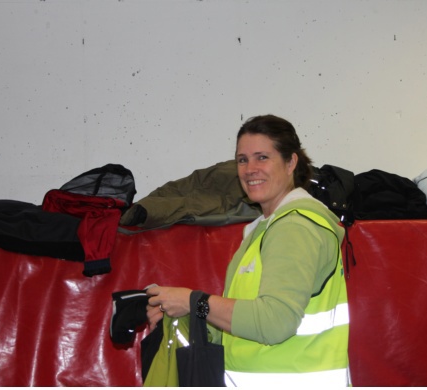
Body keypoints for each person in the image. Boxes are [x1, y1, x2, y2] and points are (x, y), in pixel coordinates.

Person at [146, 114, 351, 386]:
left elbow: (274, 323)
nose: (250, 169)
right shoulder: (265, 229)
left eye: (262, 157)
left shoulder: (294, 227)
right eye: (242, 160)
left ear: (291, 163)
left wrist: (194, 302)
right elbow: (244, 326)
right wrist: (187, 312)